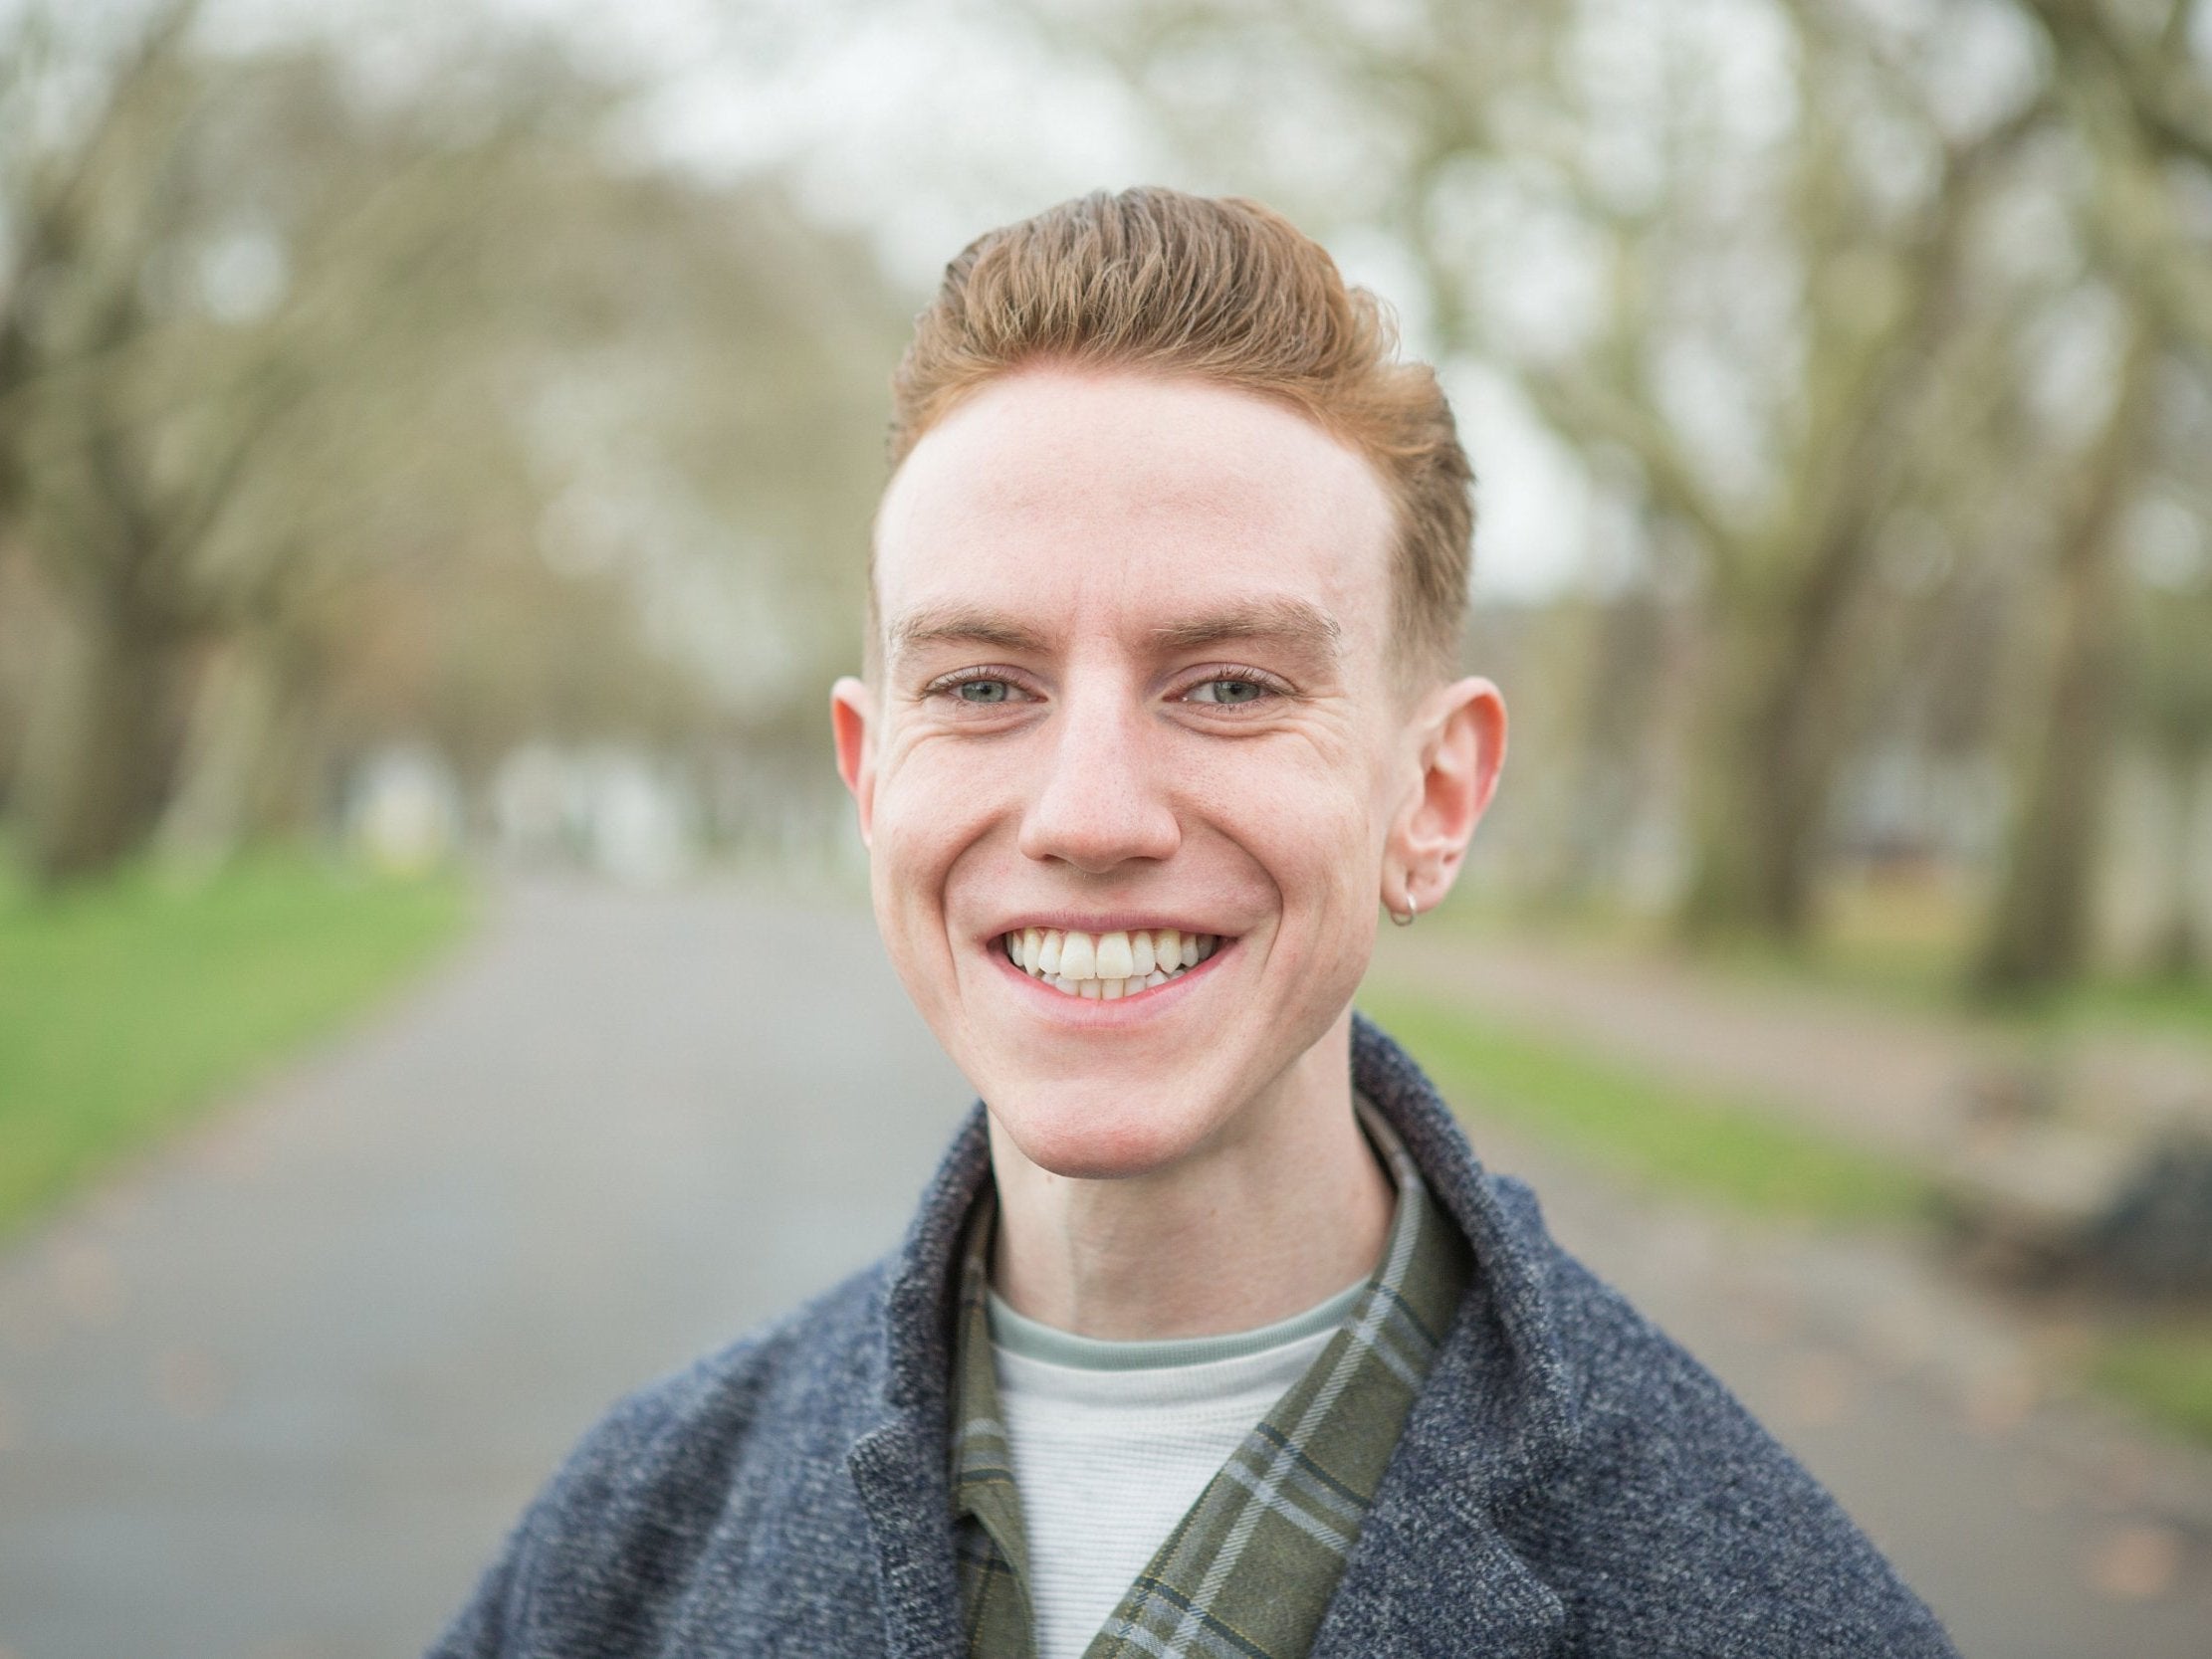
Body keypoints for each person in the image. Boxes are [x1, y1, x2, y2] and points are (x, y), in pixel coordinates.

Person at [428, 187, 1955, 1659]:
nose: (1089, 817)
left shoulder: (1757, 1606)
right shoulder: (628, 1543)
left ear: (1431, 796)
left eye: (1228, 686)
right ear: (870, 775)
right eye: (979, 686)